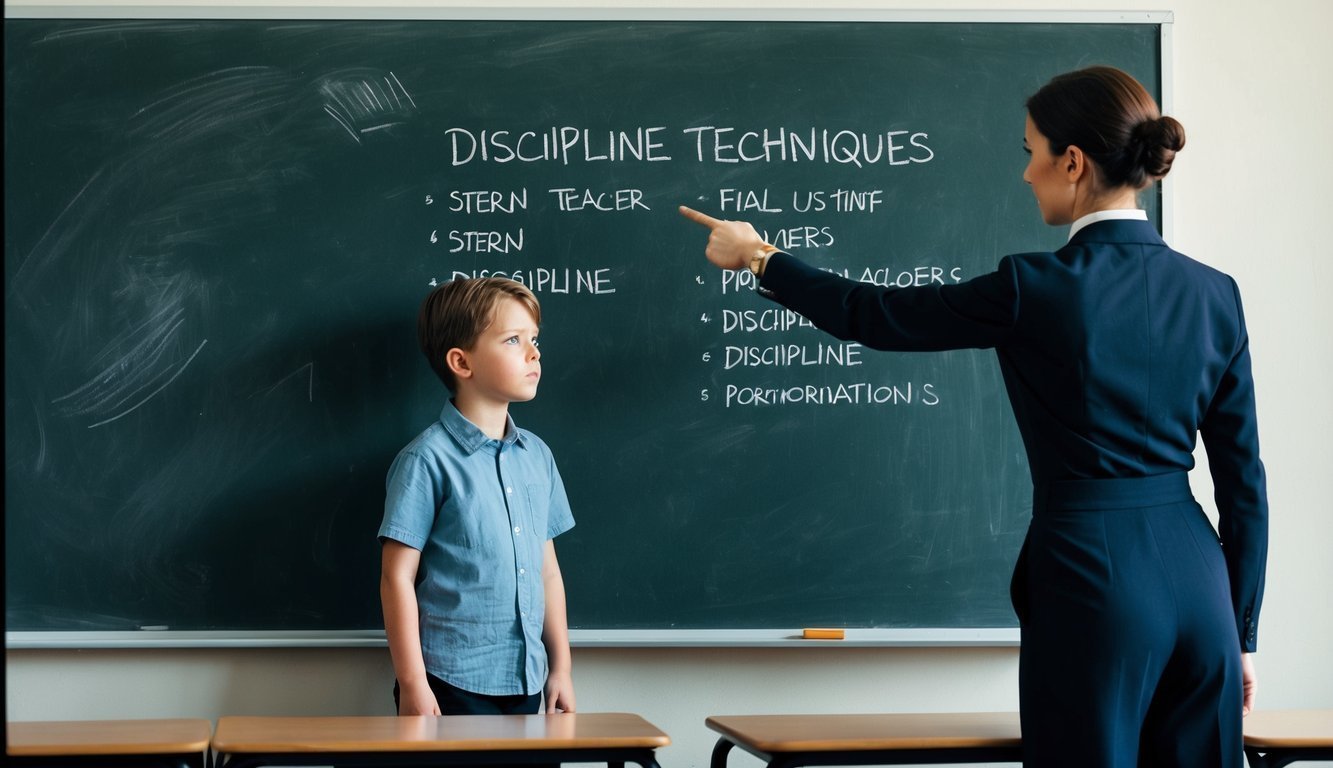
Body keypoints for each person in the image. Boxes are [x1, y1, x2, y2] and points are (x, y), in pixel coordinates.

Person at [681, 65, 1266, 768]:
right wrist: (1239, 635)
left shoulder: (1034, 288)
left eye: (1030, 152)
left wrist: (758, 257)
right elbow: (1243, 486)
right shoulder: (1214, 293)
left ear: (1071, 163)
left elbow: (879, 316)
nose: (1025, 175)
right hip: (1200, 587)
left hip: (1095, 579)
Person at [379, 276, 576, 717]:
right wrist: (413, 684)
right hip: (449, 683)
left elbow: (549, 574)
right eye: (512, 340)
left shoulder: (538, 457)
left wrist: (560, 668)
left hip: (527, 678)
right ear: (461, 362)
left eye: (534, 339)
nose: (534, 353)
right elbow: (396, 579)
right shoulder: (426, 460)